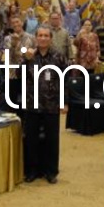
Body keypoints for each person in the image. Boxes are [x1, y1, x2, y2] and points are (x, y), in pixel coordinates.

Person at [21, 26, 67, 184]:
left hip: (51, 105)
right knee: (31, 139)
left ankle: (51, 172)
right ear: (36, 38)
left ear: (50, 38)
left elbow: (65, 80)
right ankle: (31, 171)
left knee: (52, 140)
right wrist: (26, 60)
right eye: (40, 35)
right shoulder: (29, 55)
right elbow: (19, 75)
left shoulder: (58, 57)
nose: (43, 38)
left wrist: (64, 102)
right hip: (31, 103)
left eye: (46, 36)